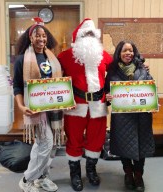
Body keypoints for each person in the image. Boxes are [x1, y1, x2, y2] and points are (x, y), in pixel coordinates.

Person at [57, 18, 113, 191]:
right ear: (78, 36)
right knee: (74, 140)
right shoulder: (64, 57)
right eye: (85, 33)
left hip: (99, 104)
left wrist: (141, 65)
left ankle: (91, 170)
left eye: (91, 34)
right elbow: (57, 80)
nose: (89, 36)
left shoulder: (104, 56)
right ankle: (75, 173)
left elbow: (114, 76)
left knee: (96, 140)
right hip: (76, 106)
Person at [13, 17, 63, 192]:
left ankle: (41, 178)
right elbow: (18, 86)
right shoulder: (22, 60)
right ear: (30, 38)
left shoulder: (52, 58)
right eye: (37, 36)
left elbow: (60, 84)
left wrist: (67, 100)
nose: (41, 39)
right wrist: (20, 106)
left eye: (44, 36)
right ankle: (28, 178)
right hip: (36, 110)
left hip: (54, 109)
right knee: (46, 143)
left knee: (50, 145)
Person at [105, 40, 155, 192]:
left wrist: (152, 102)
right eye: (125, 50)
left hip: (141, 117)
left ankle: (138, 175)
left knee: (141, 147)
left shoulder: (143, 69)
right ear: (119, 53)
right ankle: (128, 174)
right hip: (122, 118)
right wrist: (108, 97)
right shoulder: (112, 72)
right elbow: (106, 91)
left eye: (131, 50)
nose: (128, 53)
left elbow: (150, 87)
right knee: (123, 145)